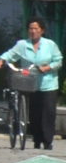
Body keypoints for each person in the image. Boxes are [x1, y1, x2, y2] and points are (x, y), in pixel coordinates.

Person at [4, 20, 63, 150]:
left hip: (48, 84)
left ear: (42, 30)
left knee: (48, 112)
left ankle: (47, 141)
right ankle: (37, 139)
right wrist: (2, 60)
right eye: (31, 28)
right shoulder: (22, 45)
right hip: (30, 83)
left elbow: (58, 61)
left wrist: (48, 67)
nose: (33, 31)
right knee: (34, 113)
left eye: (36, 28)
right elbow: (10, 54)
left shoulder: (50, 44)